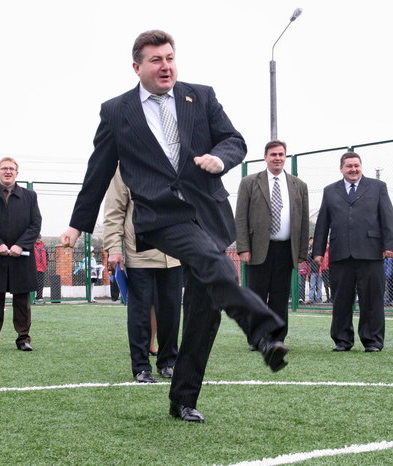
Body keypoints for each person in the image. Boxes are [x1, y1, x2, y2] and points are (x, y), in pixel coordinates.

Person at [60, 30, 288, 423]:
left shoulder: (201, 96)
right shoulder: (116, 111)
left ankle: (182, 400)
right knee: (216, 264)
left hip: (207, 212)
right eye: (156, 60)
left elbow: (234, 141)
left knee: (204, 310)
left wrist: (220, 159)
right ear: (137, 67)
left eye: (170, 58)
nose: (165, 66)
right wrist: (76, 225)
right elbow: (98, 172)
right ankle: (264, 332)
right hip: (160, 216)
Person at [103, 167, 183, 383]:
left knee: (171, 311)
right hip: (139, 254)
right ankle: (141, 367)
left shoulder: (177, 162)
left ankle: (168, 363)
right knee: (140, 312)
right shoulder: (125, 166)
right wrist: (114, 248)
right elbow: (114, 211)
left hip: (174, 252)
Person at [312, 151, 393, 352]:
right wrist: (318, 251)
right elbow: (323, 222)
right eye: (349, 166)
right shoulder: (330, 191)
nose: (353, 169)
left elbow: (387, 217)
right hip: (340, 254)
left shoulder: (378, 187)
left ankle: (372, 341)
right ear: (341, 168)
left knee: (372, 300)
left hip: (371, 253)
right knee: (341, 300)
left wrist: (389, 246)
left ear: (361, 166)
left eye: (356, 165)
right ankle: (342, 340)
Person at [235, 140, 309, 339]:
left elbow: (303, 220)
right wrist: (243, 247)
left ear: (285, 157)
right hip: (257, 249)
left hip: (286, 250)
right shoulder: (249, 182)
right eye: (273, 154)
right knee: (256, 297)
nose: (277, 158)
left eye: (281, 154)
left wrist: (302, 252)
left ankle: (277, 338)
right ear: (265, 157)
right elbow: (240, 217)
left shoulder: (299, 185)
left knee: (280, 297)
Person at [0, 157, 42, 352]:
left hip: (21, 257)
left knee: (22, 301)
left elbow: (35, 224)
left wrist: (21, 246)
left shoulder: (30, 196)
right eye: (4, 168)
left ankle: (23, 339)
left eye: (11, 169)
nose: (7, 171)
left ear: (16, 173)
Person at [34, 235, 48, 301]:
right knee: (32, 283)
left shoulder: (44, 247)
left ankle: (39, 297)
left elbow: (47, 256)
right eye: (37, 238)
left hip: (42, 268)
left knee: (40, 283)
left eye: (39, 238)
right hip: (33, 268)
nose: (38, 239)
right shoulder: (32, 246)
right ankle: (31, 298)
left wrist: (46, 264)